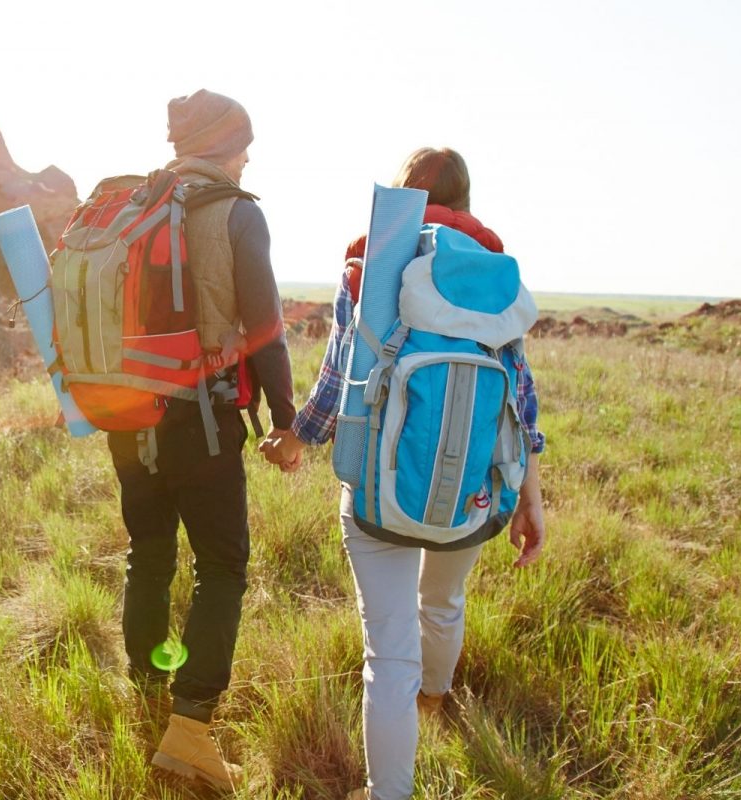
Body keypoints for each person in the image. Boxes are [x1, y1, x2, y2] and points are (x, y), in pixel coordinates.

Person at [261, 147, 547, 800]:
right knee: (443, 601)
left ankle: (388, 791)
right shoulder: (492, 273)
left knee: (386, 654)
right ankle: (436, 702)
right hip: (474, 488)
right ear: (466, 202)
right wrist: (529, 494)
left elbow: (339, 374)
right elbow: (519, 394)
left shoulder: (373, 257)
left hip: (373, 487)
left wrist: (297, 439)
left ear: (404, 195)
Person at [107, 89, 295, 791]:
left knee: (147, 555)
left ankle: (147, 696)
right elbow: (266, 326)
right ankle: (188, 732)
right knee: (221, 567)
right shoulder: (236, 215)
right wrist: (286, 421)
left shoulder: (133, 209)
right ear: (224, 146)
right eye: (244, 143)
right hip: (204, 422)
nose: (249, 157)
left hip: (129, 418)